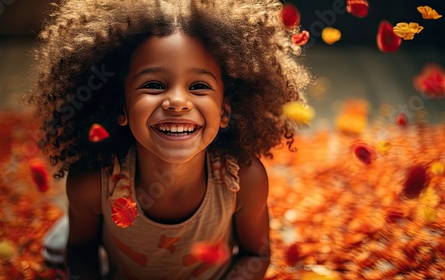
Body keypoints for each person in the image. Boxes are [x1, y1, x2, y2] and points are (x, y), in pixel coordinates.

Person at [23, 0, 311, 279]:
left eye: (199, 86)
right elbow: (80, 251)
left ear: (224, 111)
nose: (177, 101)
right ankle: (66, 228)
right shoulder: (91, 183)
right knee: (57, 251)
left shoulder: (244, 181)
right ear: (121, 108)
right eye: (154, 85)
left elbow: (256, 254)